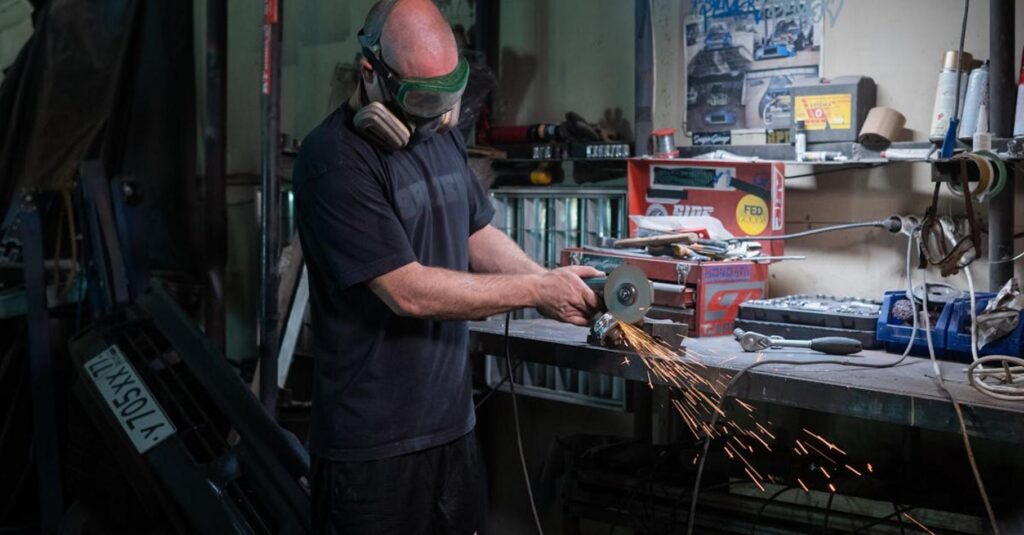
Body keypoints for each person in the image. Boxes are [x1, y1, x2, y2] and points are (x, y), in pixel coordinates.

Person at [292, 0, 603, 532]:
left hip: (452, 430)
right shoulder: (335, 160)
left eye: (448, 95)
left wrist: (551, 280)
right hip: (372, 450)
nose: (439, 114)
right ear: (371, 73)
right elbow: (407, 291)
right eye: (424, 99)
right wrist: (536, 293)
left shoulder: (440, 136)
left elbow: (476, 232)